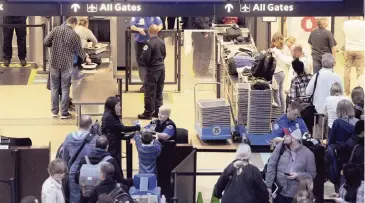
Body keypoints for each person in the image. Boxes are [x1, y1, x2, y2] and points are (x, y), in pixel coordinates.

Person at [44, 16, 91, 119]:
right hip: (67, 64)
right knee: (65, 88)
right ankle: (64, 113)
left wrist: (54, 45)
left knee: (54, 87)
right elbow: (79, 50)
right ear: (74, 24)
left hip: (54, 63)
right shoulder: (74, 35)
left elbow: (46, 42)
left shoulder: (56, 29)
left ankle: (54, 112)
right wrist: (86, 57)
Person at [265, 127, 316, 203]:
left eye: (287, 135)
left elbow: (312, 174)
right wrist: (268, 186)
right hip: (279, 193)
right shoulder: (280, 147)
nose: (284, 137)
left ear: (294, 138)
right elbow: (271, 166)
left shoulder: (308, 154)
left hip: (296, 196)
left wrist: (298, 175)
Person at [76, 136, 125, 203]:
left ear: (95, 145)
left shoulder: (84, 160)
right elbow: (119, 179)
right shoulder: (111, 161)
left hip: (85, 197)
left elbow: (76, 179)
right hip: (105, 198)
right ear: (107, 146)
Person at [62, 115, 98, 203]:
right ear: (90, 126)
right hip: (89, 172)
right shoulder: (94, 139)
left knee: (75, 196)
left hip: (74, 172)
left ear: (79, 124)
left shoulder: (69, 137)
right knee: (90, 196)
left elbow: (65, 158)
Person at [306, 53, 342, 138]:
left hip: (318, 113)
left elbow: (308, 92)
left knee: (318, 137)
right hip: (333, 113)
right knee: (330, 137)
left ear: (322, 63)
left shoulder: (316, 76)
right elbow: (341, 94)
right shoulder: (337, 77)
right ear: (333, 64)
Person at [101, 96, 141, 170]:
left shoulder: (111, 115)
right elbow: (121, 128)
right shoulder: (109, 117)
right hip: (112, 147)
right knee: (115, 165)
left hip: (114, 143)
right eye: (118, 105)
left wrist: (128, 135)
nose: (120, 108)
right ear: (113, 106)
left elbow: (116, 130)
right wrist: (136, 127)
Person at [137, 24, 167, 120]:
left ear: (149, 32)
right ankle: (157, 112)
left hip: (152, 71)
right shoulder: (162, 42)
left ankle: (148, 113)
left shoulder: (148, 43)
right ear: (158, 32)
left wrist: (142, 61)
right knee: (159, 91)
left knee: (149, 92)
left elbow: (145, 58)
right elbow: (164, 55)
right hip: (161, 69)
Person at [130, 17, 163, 92]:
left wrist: (155, 29)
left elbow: (161, 25)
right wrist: (138, 29)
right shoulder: (137, 15)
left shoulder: (154, 15)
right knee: (141, 63)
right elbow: (132, 26)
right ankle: (145, 84)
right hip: (140, 43)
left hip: (152, 43)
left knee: (153, 62)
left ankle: (152, 83)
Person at [271, 32, 293, 111]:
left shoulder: (276, 50)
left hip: (277, 73)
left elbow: (286, 60)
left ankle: (279, 110)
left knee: (276, 93)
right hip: (284, 73)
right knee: (281, 93)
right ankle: (282, 111)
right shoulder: (285, 48)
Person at [343, 16, 365, 95]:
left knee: (347, 70)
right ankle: (360, 91)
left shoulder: (346, 23)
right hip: (360, 49)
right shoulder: (363, 24)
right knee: (360, 71)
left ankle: (347, 92)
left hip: (348, 48)